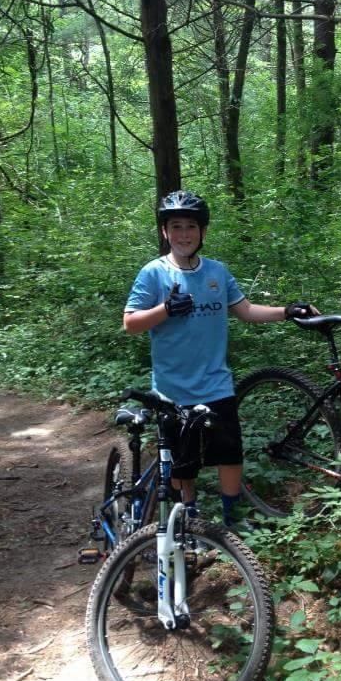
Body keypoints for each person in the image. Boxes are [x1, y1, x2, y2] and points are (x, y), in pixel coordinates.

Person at [123, 190, 316, 527]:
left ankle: (232, 516)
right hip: (173, 388)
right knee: (183, 463)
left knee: (229, 452)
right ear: (165, 232)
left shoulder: (217, 272)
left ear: (203, 232)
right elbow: (131, 324)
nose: (184, 234)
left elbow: (246, 311)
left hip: (216, 383)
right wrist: (165, 309)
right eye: (176, 226)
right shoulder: (154, 273)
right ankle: (188, 518)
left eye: (191, 227)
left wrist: (288, 310)